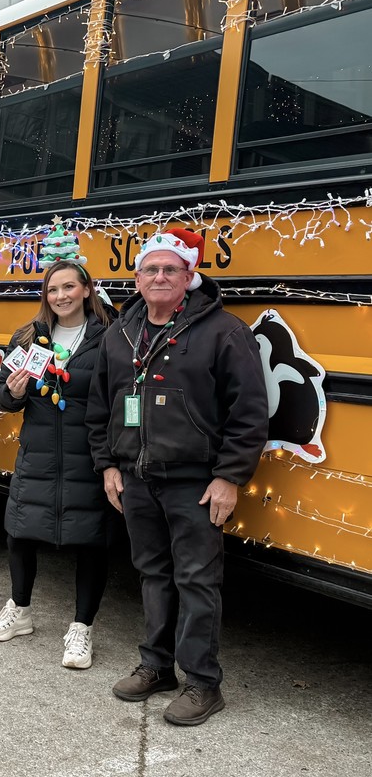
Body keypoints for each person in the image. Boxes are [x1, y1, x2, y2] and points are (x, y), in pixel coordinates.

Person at [86, 228, 268, 726]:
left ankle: (204, 683)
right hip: (136, 477)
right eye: (151, 269)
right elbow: (101, 406)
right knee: (153, 574)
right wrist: (107, 465)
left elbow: (249, 413)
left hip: (195, 482)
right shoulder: (121, 333)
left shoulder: (224, 332)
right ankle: (156, 665)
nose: (160, 276)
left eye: (171, 269)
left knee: (196, 579)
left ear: (190, 276)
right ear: (138, 278)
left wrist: (229, 477)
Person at [0, 256, 113, 669]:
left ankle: (81, 628)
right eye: (53, 290)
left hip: (89, 453)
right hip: (37, 451)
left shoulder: (109, 336)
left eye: (69, 287)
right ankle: (19, 610)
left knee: (92, 540)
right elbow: (3, 398)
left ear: (87, 290)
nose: (61, 296)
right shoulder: (29, 337)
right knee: (20, 532)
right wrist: (16, 393)